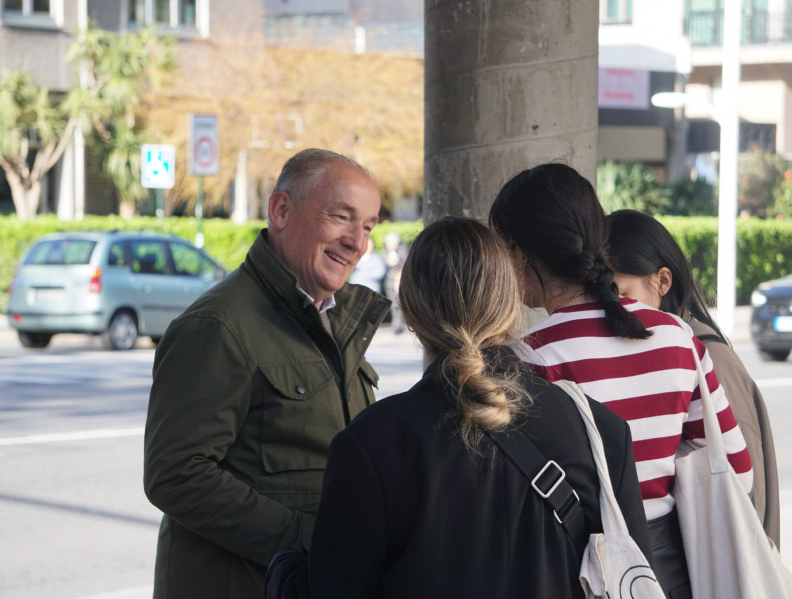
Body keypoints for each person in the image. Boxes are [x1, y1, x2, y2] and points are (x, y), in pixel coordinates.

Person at [266, 217, 651, 599]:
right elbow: (631, 578)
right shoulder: (601, 431)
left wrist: (283, 568)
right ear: (510, 299)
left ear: (411, 310)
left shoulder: (370, 443)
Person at [489, 162, 753, 598]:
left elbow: (512, 503)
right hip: (671, 570)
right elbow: (737, 471)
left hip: (578, 572)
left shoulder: (528, 357)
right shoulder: (677, 335)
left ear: (521, 254)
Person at [143, 148, 390, 599]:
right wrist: (314, 541)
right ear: (280, 210)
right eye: (341, 217)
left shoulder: (334, 321)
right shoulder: (217, 326)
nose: (358, 241)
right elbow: (176, 475)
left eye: (369, 226)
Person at [607, 208, 781, 547]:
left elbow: (745, 496)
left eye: (619, 293)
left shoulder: (705, 355)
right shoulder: (664, 350)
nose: (608, 308)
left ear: (662, 281)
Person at [380, 230, 408, 333]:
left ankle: (401, 324)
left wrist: (397, 262)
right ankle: (396, 325)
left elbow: (404, 262)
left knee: (401, 304)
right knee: (393, 304)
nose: (390, 245)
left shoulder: (403, 250)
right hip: (389, 283)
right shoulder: (384, 251)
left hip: (400, 282)